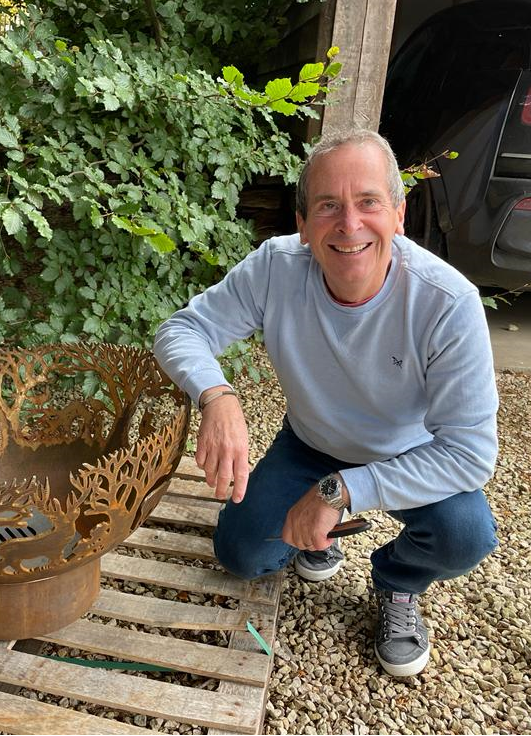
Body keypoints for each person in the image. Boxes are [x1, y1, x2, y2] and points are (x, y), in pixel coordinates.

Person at [153, 128, 499, 677]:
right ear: (303, 223)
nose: (349, 224)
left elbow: (470, 454)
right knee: (241, 556)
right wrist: (217, 396)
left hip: (408, 454)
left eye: (368, 202)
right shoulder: (276, 267)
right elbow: (181, 330)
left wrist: (340, 491)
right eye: (328, 206)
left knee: (467, 535)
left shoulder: (447, 302)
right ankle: (318, 537)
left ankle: (398, 582)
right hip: (309, 444)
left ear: (399, 213)